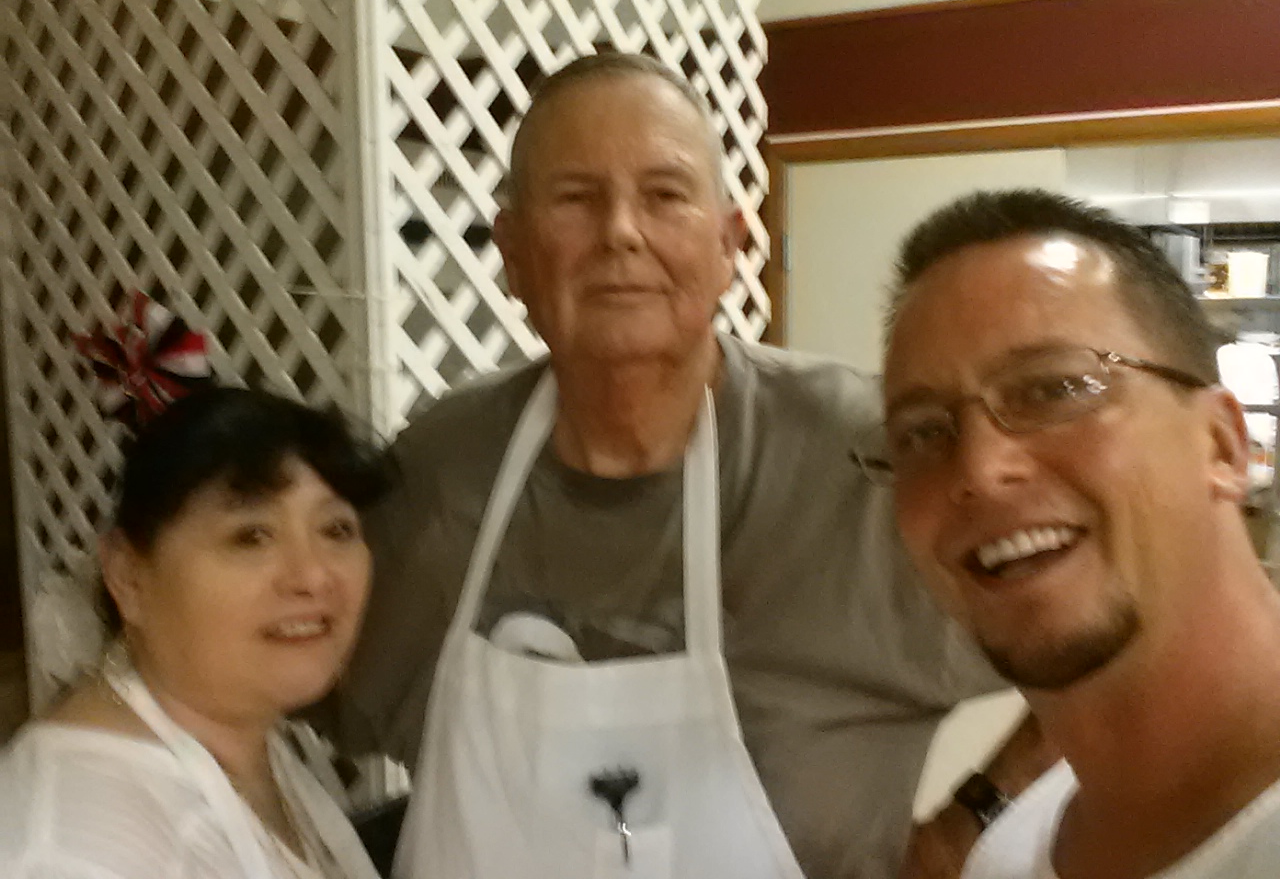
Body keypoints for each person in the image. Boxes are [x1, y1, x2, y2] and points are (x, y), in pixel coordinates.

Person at [322, 52, 1049, 879]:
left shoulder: (867, 460)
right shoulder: (443, 466)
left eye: (664, 195)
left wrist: (971, 820)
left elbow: (1117, 634)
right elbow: (297, 669)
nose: (621, 232)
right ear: (513, 254)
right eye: (576, 198)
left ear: (729, 244)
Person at [879, 188, 1280, 879]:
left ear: (1221, 444)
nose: (979, 470)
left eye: (1054, 389)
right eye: (923, 432)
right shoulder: (1009, 855)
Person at [0, 387, 392, 879]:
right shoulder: (75, 849)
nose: (314, 575)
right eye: (251, 536)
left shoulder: (242, 739)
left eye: (336, 530)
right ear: (128, 576)